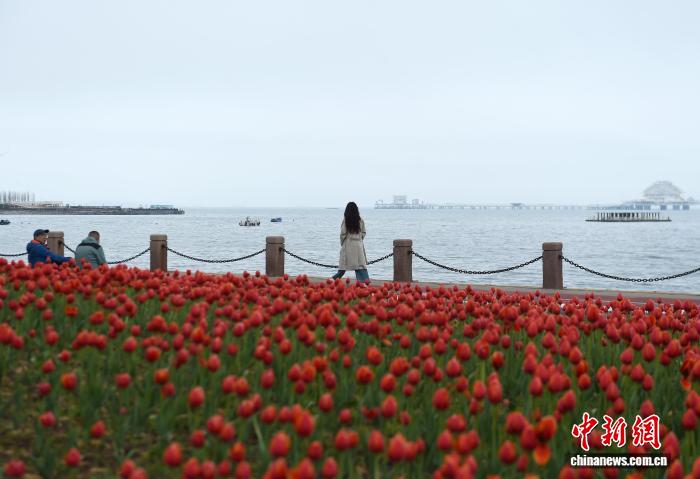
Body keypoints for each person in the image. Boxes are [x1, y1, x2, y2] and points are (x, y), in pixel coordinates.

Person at [332, 202, 370, 282]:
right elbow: (363, 232)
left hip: (348, 244)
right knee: (360, 266)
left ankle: (333, 280)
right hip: (358, 245)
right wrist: (359, 239)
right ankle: (364, 281)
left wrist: (342, 243)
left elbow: (343, 234)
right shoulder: (360, 220)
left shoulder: (346, 220)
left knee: (343, 266)